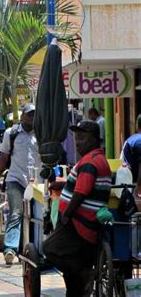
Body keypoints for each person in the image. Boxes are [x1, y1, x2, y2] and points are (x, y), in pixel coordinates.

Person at [43, 121, 111, 296]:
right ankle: (77, 285)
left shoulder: (90, 162)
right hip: (86, 221)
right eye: (76, 138)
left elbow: (81, 192)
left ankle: (83, 272)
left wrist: (66, 213)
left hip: (79, 222)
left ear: (94, 140)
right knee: (71, 270)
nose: (78, 142)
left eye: (82, 138)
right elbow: (83, 185)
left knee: (49, 249)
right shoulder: (96, 158)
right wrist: (65, 184)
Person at [0, 104, 40, 265]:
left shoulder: (42, 133)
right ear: (22, 117)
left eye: (34, 115)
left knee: (37, 216)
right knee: (16, 213)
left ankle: (31, 249)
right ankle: (10, 249)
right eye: (29, 115)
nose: (32, 118)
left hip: (36, 182)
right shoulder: (11, 133)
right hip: (15, 179)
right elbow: (4, 157)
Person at [121, 114, 141, 197]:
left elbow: (125, 167)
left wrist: (139, 186)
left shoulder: (131, 141)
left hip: (134, 186)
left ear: (137, 125)